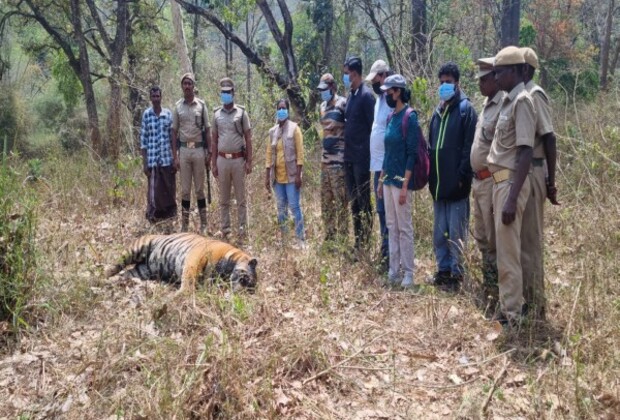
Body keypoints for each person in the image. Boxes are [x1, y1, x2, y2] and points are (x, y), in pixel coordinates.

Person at [487, 46, 536, 326]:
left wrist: (511, 198)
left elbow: (525, 151)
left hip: (510, 184)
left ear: (516, 71)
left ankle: (512, 314)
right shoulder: (507, 100)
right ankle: (507, 305)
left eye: (500, 72)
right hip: (499, 183)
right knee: (502, 250)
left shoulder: (523, 102)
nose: (496, 77)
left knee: (508, 253)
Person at [428, 62, 477, 290]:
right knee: (440, 233)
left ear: (457, 83)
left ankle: (458, 275)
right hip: (439, 185)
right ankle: (443, 270)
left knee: (456, 233)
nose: (444, 86)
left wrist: (462, 175)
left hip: (457, 185)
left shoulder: (466, 110)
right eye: (441, 82)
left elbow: (470, 148)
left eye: (448, 82)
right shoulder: (437, 113)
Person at [520, 47, 560, 320]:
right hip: (521, 173)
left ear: (524, 70)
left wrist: (550, 181)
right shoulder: (520, 97)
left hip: (533, 171)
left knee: (531, 242)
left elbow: (550, 138)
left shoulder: (535, 95)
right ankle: (525, 298)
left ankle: (536, 306)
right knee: (520, 240)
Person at [376, 74, 419, 289]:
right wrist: (381, 180)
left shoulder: (409, 117)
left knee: (404, 227)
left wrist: (404, 185)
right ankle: (394, 271)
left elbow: (412, 154)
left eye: (389, 92)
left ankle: (409, 273)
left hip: (401, 181)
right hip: (388, 180)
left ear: (398, 92)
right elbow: (387, 151)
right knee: (391, 226)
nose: (387, 96)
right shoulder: (391, 117)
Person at [470, 57, 503, 310]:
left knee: (494, 240)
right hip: (478, 184)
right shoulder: (485, 106)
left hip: (493, 182)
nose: (480, 84)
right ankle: (488, 289)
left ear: (496, 78)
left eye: (484, 79)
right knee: (482, 237)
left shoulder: (504, 104)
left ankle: (500, 294)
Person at [211, 77, 253, 241]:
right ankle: (225, 230)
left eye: (228, 92)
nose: (225, 95)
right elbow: (214, 140)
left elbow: (248, 138)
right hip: (222, 161)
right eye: (223, 92)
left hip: (238, 161)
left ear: (233, 93)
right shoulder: (216, 115)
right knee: (224, 199)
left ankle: (242, 231)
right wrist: (213, 163)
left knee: (241, 199)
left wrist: (249, 161)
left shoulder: (242, 113)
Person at [343, 56, 376, 255]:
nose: (345, 77)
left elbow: (373, 127)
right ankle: (358, 243)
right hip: (349, 157)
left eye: (347, 74)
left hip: (361, 159)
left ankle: (366, 243)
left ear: (355, 74)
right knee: (354, 202)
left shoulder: (366, 96)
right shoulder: (351, 95)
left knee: (364, 202)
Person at [171, 73, 211, 234]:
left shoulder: (201, 105)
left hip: (199, 150)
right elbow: (174, 132)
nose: (187, 86)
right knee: (185, 190)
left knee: (200, 189)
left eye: (190, 83)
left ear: (194, 86)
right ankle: (185, 225)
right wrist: (175, 156)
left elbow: (208, 130)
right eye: (184, 84)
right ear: (182, 86)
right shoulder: (178, 106)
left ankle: (204, 224)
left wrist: (209, 152)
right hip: (184, 151)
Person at [264, 99, 306, 248]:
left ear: (287, 111)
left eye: (284, 108)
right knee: (281, 210)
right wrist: (267, 175)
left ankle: (301, 240)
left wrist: (298, 175)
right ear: (276, 110)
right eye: (279, 108)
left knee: (295, 207)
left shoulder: (294, 129)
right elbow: (269, 154)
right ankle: (285, 241)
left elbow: (300, 153)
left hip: (291, 177)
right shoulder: (272, 132)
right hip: (277, 179)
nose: (281, 111)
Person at [317, 73, 350, 245]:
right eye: (321, 90)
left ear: (332, 87)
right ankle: (329, 236)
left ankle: (343, 239)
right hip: (325, 162)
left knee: (341, 202)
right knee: (326, 201)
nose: (323, 93)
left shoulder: (343, 103)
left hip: (339, 162)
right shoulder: (322, 106)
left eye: (325, 89)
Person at [140, 86, 178, 232]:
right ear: (151, 98)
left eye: (158, 96)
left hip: (167, 159)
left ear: (161, 97)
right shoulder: (146, 115)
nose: (156, 99)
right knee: (153, 191)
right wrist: (144, 163)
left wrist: (175, 159)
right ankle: (153, 218)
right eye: (153, 96)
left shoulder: (168, 114)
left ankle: (169, 217)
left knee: (168, 189)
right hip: (152, 160)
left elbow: (173, 138)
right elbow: (143, 140)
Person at [366, 59, 392, 270]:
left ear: (383, 76)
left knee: (388, 212)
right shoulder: (379, 100)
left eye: (375, 79)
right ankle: (385, 253)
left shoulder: (392, 100)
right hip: (376, 165)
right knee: (381, 211)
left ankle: (390, 257)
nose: (374, 83)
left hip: (387, 166)